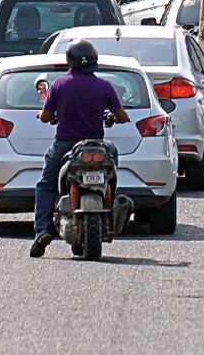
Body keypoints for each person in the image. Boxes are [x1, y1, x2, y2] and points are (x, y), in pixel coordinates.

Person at [29, 40, 130, 258]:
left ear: (70, 60)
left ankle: (42, 230)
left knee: (46, 185)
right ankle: (109, 197)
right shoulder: (104, 86)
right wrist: (116, 118)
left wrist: (45, 116)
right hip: (97, 145)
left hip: (65, 146)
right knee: (112, 164)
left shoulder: (59, 85)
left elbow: (46, 116)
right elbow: (122, 115)